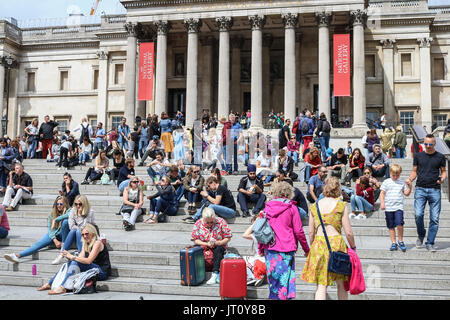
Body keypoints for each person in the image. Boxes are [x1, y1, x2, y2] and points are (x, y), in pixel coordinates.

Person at [301, 177, 356, 300]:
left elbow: (310, 232)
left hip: (318, 244)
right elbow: (348, 232)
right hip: (337, 245)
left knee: (321, 285)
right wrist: (353, 247)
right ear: (338, 189)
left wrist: (311, 247)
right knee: (341, 284)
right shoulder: (341, 205)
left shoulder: (314, 206)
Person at [258, 182, 310, 300]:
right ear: (289, 193)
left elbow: (261, 229)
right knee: (284, 283)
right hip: (286, 249)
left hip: (270, 248)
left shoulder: (267, 207)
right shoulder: (292, 207)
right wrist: (306, 249)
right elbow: (299, 231)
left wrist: (260, 248)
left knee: (274, 283)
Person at [38, 223, 111, 295]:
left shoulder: (97, 243)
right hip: (92, 269)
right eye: (83, 234)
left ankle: (63, 287)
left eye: (87, 234)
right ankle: (50, 283)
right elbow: (80, 258)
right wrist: (69, 257)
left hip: (102, 271)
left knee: (74, 261)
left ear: (93, 233)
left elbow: (88, 261)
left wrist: (73, 257)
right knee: (69, 263)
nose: (85, 236)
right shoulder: (85, 243)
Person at [406, 134, 447, 252]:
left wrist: (443, 178)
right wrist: (410, 179)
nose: (428, 146)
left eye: (430, 144)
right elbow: (414, 171)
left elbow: (444, 172)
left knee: (434, 218)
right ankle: (421, 234)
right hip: (420, 189)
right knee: (418, 214)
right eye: (426, 144)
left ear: (434, 144)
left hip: (435, 189)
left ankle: (430, 242)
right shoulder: (418, 156)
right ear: (423, 144)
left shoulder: (440, 157)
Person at [4, 196, 70, 264]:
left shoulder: (70, 211)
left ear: (65, 204)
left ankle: (64, 247)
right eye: (57, 204)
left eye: (61, 204)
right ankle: (16, 256)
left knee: (65, 221)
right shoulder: (52, 214)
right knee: (37, 245)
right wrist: (55, 240)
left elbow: (69, 215)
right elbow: (50, 230)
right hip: (54, 235)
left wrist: (56, 220)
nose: (59, 206)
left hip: (64, 235)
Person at [191, 207, 232, 285]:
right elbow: (195, 239)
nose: (210, 224)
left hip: (218, 245)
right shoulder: (198, 223)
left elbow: (228, 237)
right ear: (203, 219)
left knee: (218, 249)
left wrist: (219, 242)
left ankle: (215, 273)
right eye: (207, 222)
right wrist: (206, 244)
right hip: (204, 246)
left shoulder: (221, 221)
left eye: (211, 222)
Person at [51, 195, 95, 266]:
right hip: (75, 234)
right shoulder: (73, 211)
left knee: (77, 231)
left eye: (80, 204)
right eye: (76, 204)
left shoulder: (90, 212)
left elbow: (87, 226)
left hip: (88, 234)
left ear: (84, 204)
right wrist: (79, 228)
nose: (78, 206)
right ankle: (62, 254)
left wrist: (81, 214)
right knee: (73, 231)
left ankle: (81, 254)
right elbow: (71, 226)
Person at [379, 164, 412, 252]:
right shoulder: (386, 182)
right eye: (394, 175)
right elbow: (382, 193)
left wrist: (410, 186)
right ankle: (393, 242)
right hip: (389, 207)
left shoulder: (401, 182)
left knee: (400, 223)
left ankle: (400, 240)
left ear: (400, 174)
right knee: (391, 226)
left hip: (398, 207)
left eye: (397, 175)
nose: (395, 177)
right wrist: (382, 203)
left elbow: (406, 193)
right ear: (390, 173)